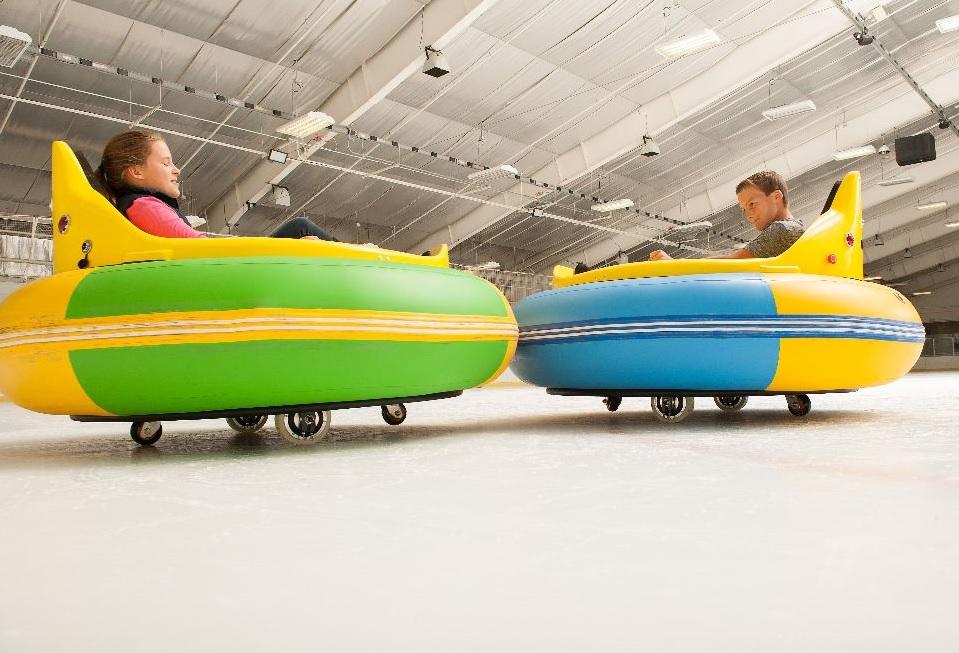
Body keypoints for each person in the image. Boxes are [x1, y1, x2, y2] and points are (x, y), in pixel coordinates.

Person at [94, 130, 338, 241]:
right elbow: (199, 247)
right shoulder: (145, 207)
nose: (176, 170)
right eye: (166, 163)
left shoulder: (144, 205)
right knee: (301, 227)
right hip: (227, 271)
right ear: (136, 172)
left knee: (299, 228)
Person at [648, 170, 804, 261]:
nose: (748, 215)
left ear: (777, 196)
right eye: (744, 209)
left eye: (752, 204)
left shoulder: (783, 230)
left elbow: (733, 261)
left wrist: (675, 264)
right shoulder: (794, 230)